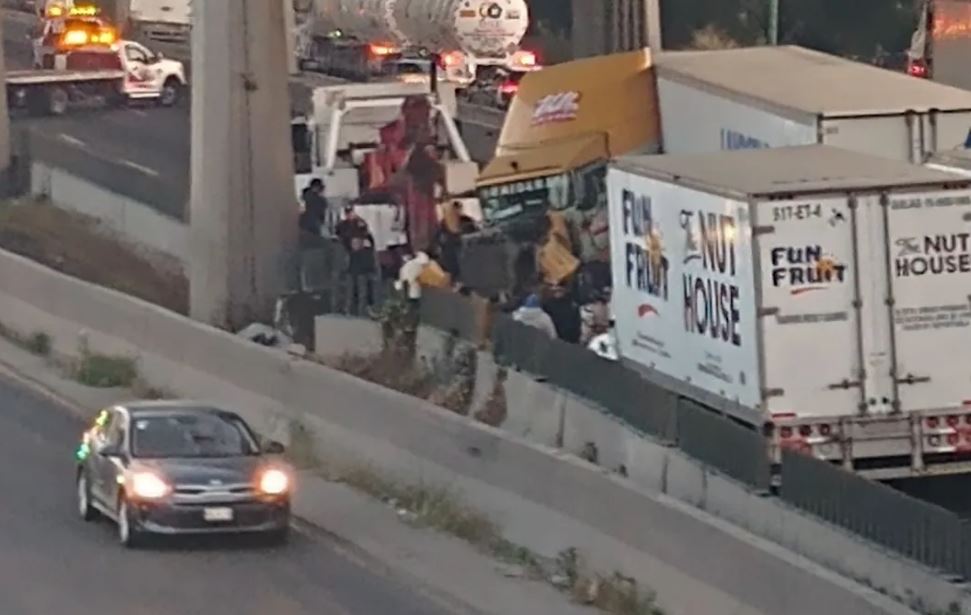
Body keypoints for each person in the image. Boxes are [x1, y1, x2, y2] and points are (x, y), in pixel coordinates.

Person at [335, 204, 375, 313]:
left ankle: (358, 310)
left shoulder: (359, 223)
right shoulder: (344, 226)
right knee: (351, 291)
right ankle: (349, 309)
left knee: (361, 291)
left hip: (358, 268)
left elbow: (368, 236)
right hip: (352, 268)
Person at [435, 200, 477, 283]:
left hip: (468, 265)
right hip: (450, 266)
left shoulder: (468, 223)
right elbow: (436, 245)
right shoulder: (441, 227)